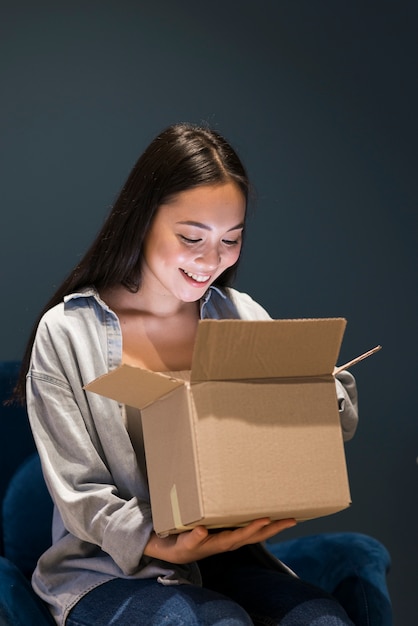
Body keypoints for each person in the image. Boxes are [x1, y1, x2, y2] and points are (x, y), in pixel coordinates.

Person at [14, 122, 358, 625]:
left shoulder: (238, 316)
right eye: (191, 236)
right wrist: (158, 541)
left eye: (231, 239)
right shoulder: (67, 332)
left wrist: (311, 394)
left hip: (226, 556)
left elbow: (331, 426)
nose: (211, 260)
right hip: (108, 570)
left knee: (321, 620)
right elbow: (80, 490)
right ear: (142, 219)